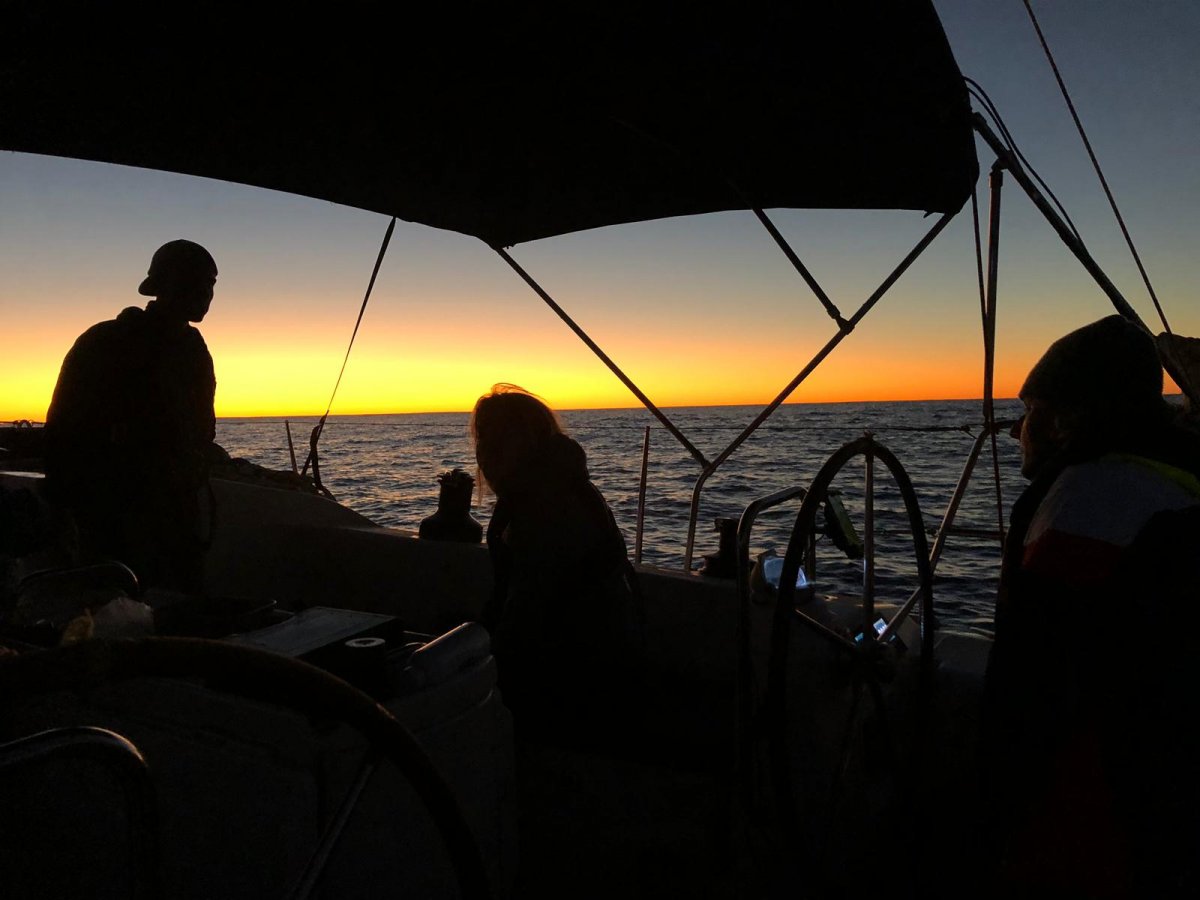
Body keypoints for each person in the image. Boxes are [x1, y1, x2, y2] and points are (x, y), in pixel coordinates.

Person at [984, 315, 1200, 896]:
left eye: (1029, 412)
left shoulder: (1088, 506)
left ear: (1062, 424)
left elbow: (1031, 695)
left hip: (1099, 820)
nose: (1018, 429)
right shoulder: (1176, 478)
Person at [470, 384, 643, 747]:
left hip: (572, 682)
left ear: (527, 440)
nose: (485, 450)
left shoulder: (545, 509)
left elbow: (526, 620)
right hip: (593, 664)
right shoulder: (558, 487)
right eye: (483, 436)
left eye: (499, 437)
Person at [44, 240, 221, 594]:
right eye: (193, 279)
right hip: (114, 514)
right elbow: (63, 435)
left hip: (178, 513)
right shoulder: (104, 342)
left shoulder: (195, 350)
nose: (205, 291)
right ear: (161, 285)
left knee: (181, 611)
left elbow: (202, 429)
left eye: (211, 283)